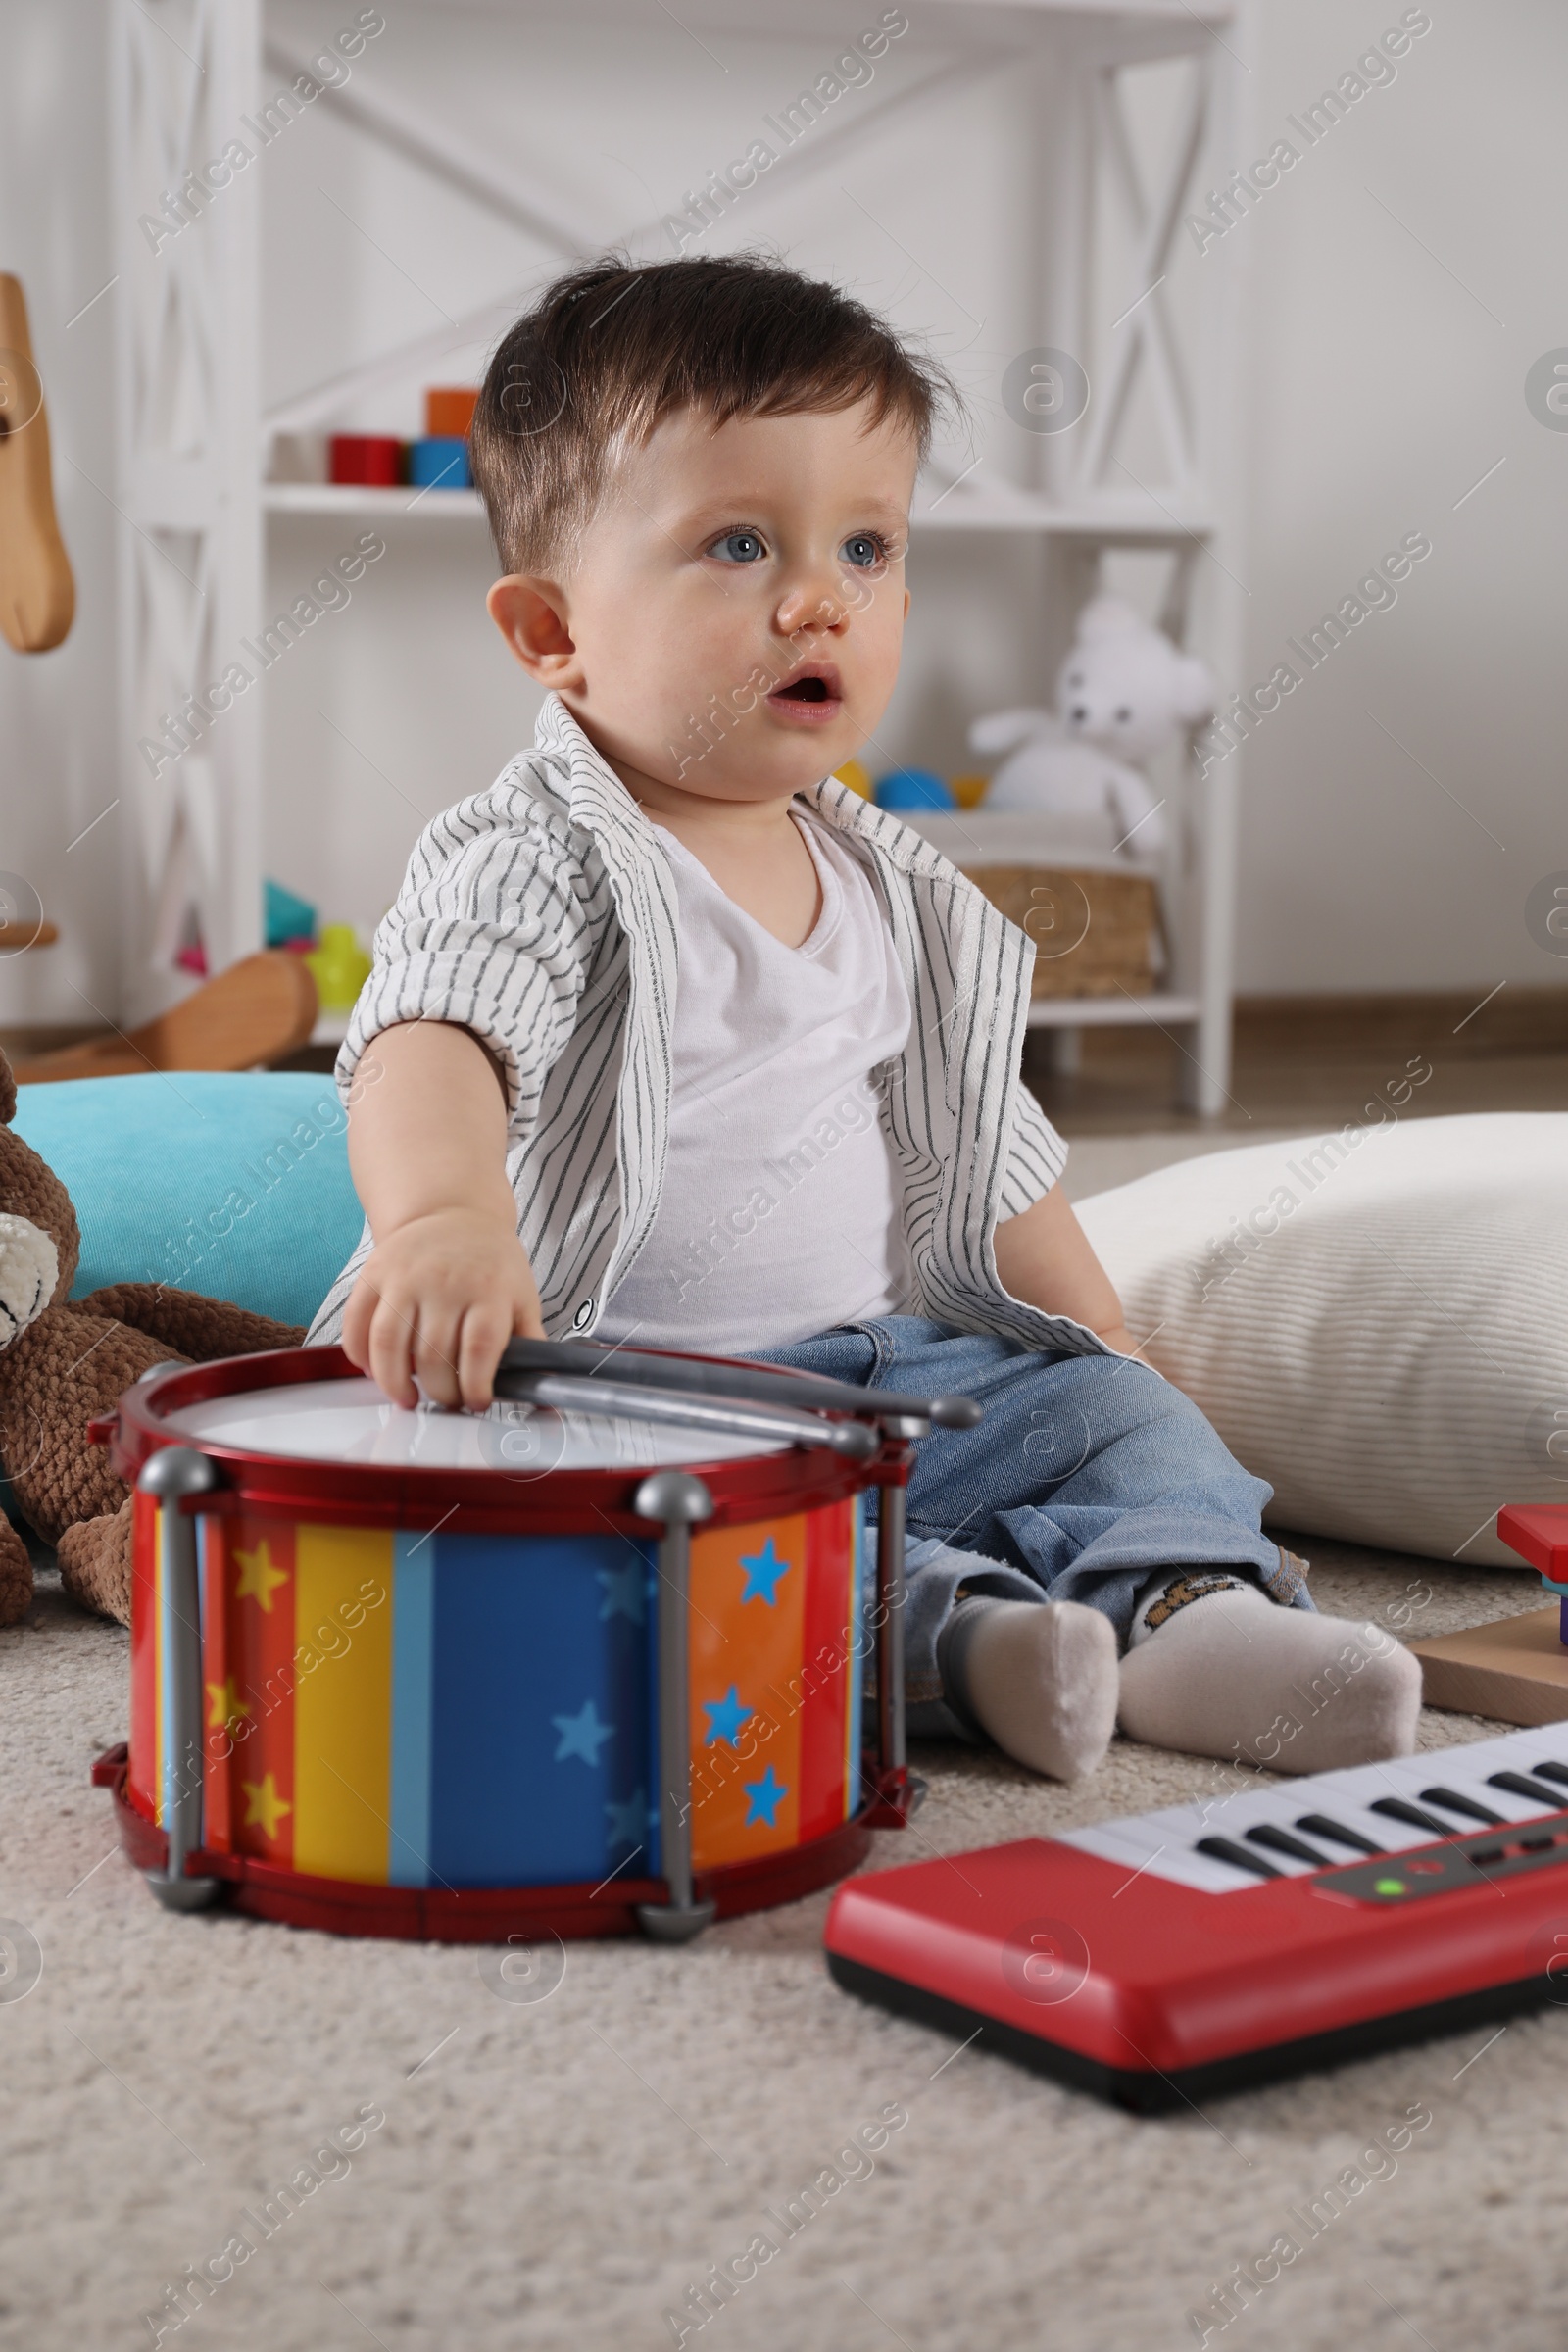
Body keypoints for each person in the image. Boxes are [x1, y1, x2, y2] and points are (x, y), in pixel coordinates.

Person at [308, 253, 1419, 1780]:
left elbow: (985, 1143)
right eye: (741, 543)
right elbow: (434, 1031)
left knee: (1117, 1417)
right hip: (623, 1387)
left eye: (870, 545)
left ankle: (1188, 1613)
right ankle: (961, 1647)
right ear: (552, 631)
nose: (821, 595)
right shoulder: (534, 852)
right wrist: (442, 1217)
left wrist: (1093, 1329)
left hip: (893, 1373)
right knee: (623, 1545)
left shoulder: (902, 890)